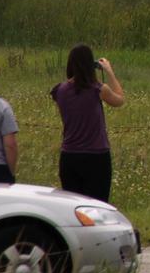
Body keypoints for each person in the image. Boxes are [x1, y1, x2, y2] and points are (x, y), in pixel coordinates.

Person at [50, 43, 125, 202]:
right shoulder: (98, 89)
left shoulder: (59, 91)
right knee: (98, 206)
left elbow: (72, 88)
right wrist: (109, 71)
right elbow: (120, 100)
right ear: (90, 65)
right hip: (96, 157)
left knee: (73, 207)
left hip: (69, 157)